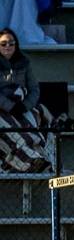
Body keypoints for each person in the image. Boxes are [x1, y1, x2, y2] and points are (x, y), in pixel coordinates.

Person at [0, 28, 53, 173]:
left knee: (36, 116)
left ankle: (41, 157)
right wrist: (10, 107)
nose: (7, 47)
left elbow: (34, 89)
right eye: (3, 44)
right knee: (7, 126)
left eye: (11, 43)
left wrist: (24, 106)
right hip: (3, 109)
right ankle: (27, 161)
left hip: (22, 105)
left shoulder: (24, 62)